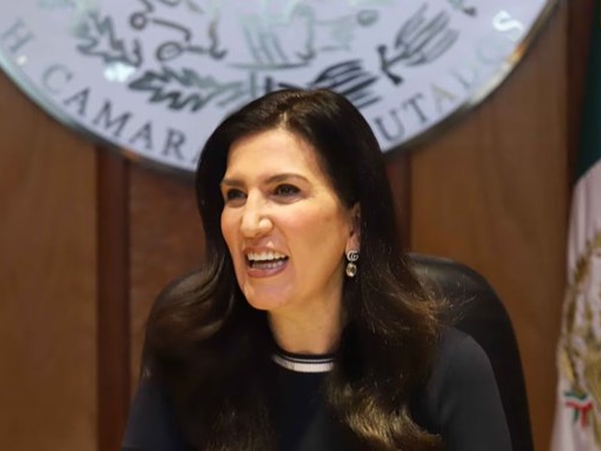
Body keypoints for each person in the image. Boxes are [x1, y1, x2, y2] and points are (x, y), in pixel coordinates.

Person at [122, 89, 512, 450]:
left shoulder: (444, 370)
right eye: (235, 195)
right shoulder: (185, 360)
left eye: (284, 190)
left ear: (354, 225)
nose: (250, 223)